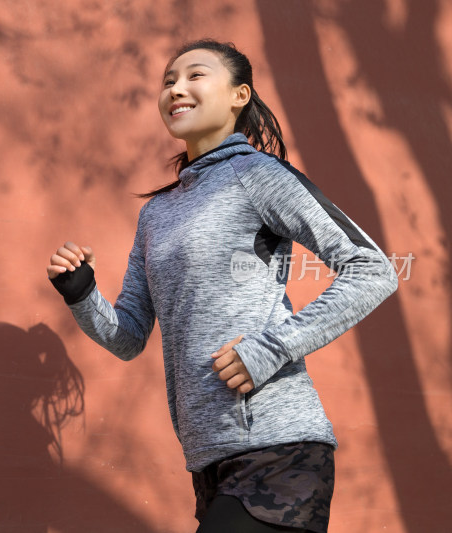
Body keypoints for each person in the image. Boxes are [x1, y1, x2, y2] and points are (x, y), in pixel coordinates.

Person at [46, 38, 399, 533]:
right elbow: (128, 337)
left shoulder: (256, 175)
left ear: (240, 95)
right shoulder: (156, 214)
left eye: (195, 75)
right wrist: (82, 293)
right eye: (168, 80)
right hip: (208, 459)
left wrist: (269, 349)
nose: (176, 88)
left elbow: (372, 268)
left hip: (280, 447)